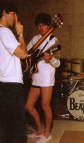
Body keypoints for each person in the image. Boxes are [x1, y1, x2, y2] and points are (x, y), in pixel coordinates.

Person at [0, 1, 27, 143]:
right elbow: (23, 54)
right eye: (13, 14)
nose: (16, 17)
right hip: (10, 84)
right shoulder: (4, 32)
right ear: (4, 12)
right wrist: (20, 34)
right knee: (17, 125)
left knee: (3, 124)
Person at [25, 13, 60, 143]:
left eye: (43, 25)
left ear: (49, 26)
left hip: (47, 77)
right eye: (38, 25)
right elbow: (26, 53)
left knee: (45, 106)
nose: (41, 28)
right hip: (36, 76)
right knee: (28, 106)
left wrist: (51, 59)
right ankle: (39, 129)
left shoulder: (53, 40)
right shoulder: (35, 39)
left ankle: (47, 134)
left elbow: (58, 64)